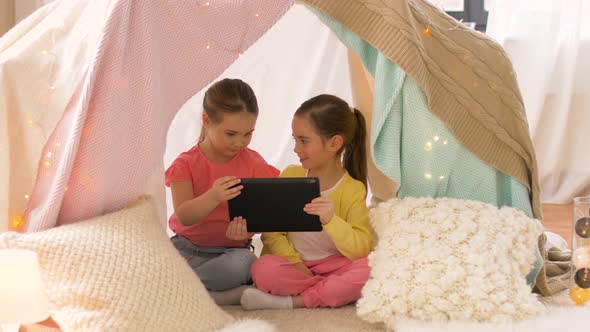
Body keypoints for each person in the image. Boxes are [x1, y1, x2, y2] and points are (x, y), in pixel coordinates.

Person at [240, 94, 374, 310]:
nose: (296, 148)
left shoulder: (352, 190)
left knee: (370, 269)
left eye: (303, 141)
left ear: (334, 143)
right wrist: (295, 263)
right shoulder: (291, 174)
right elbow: (272, 233)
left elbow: (361, 249)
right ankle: (329, 292)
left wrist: (332, 221)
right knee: (263, 268)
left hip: (333, 265)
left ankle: (295, 301)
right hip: (293, 264)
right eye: (295, 140)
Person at [165, 78, 279, 305]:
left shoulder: (255, 163)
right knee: (152, 260)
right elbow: (185, 216)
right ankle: (210, 294)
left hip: (229, 254)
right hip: (186, 249)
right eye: (231, 134)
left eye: (248, 134)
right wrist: (213, 196)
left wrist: (248, 232)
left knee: (246, 264)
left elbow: (267, 215)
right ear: (207, 120)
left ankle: (182, 288)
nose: (240, 142)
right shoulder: (185, 164)